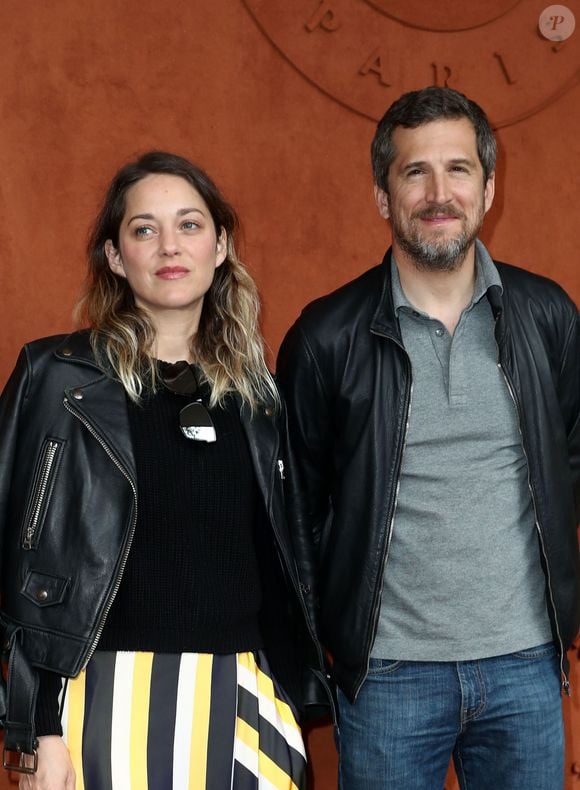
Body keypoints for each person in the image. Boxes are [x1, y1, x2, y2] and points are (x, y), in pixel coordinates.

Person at [277, 87, 580, 789]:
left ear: (489, 186)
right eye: (415, 172)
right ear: (384, 195)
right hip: (386, 675)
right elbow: (298, 507)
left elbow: (569, 458)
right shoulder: (327, 337)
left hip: (525, 666)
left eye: (459, 169)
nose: (438, 193)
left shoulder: (547, 317)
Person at [0, 151, 328, 789]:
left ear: (222, 244)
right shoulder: (56, 379)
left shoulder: (260, 399)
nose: (169, 246)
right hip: (102, 699)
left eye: (190, 225)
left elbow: (288, 558)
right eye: (144, 229)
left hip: (246, 700)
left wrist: (291, 693)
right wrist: (39, 726)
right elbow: (20, 560)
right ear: (117, 257)